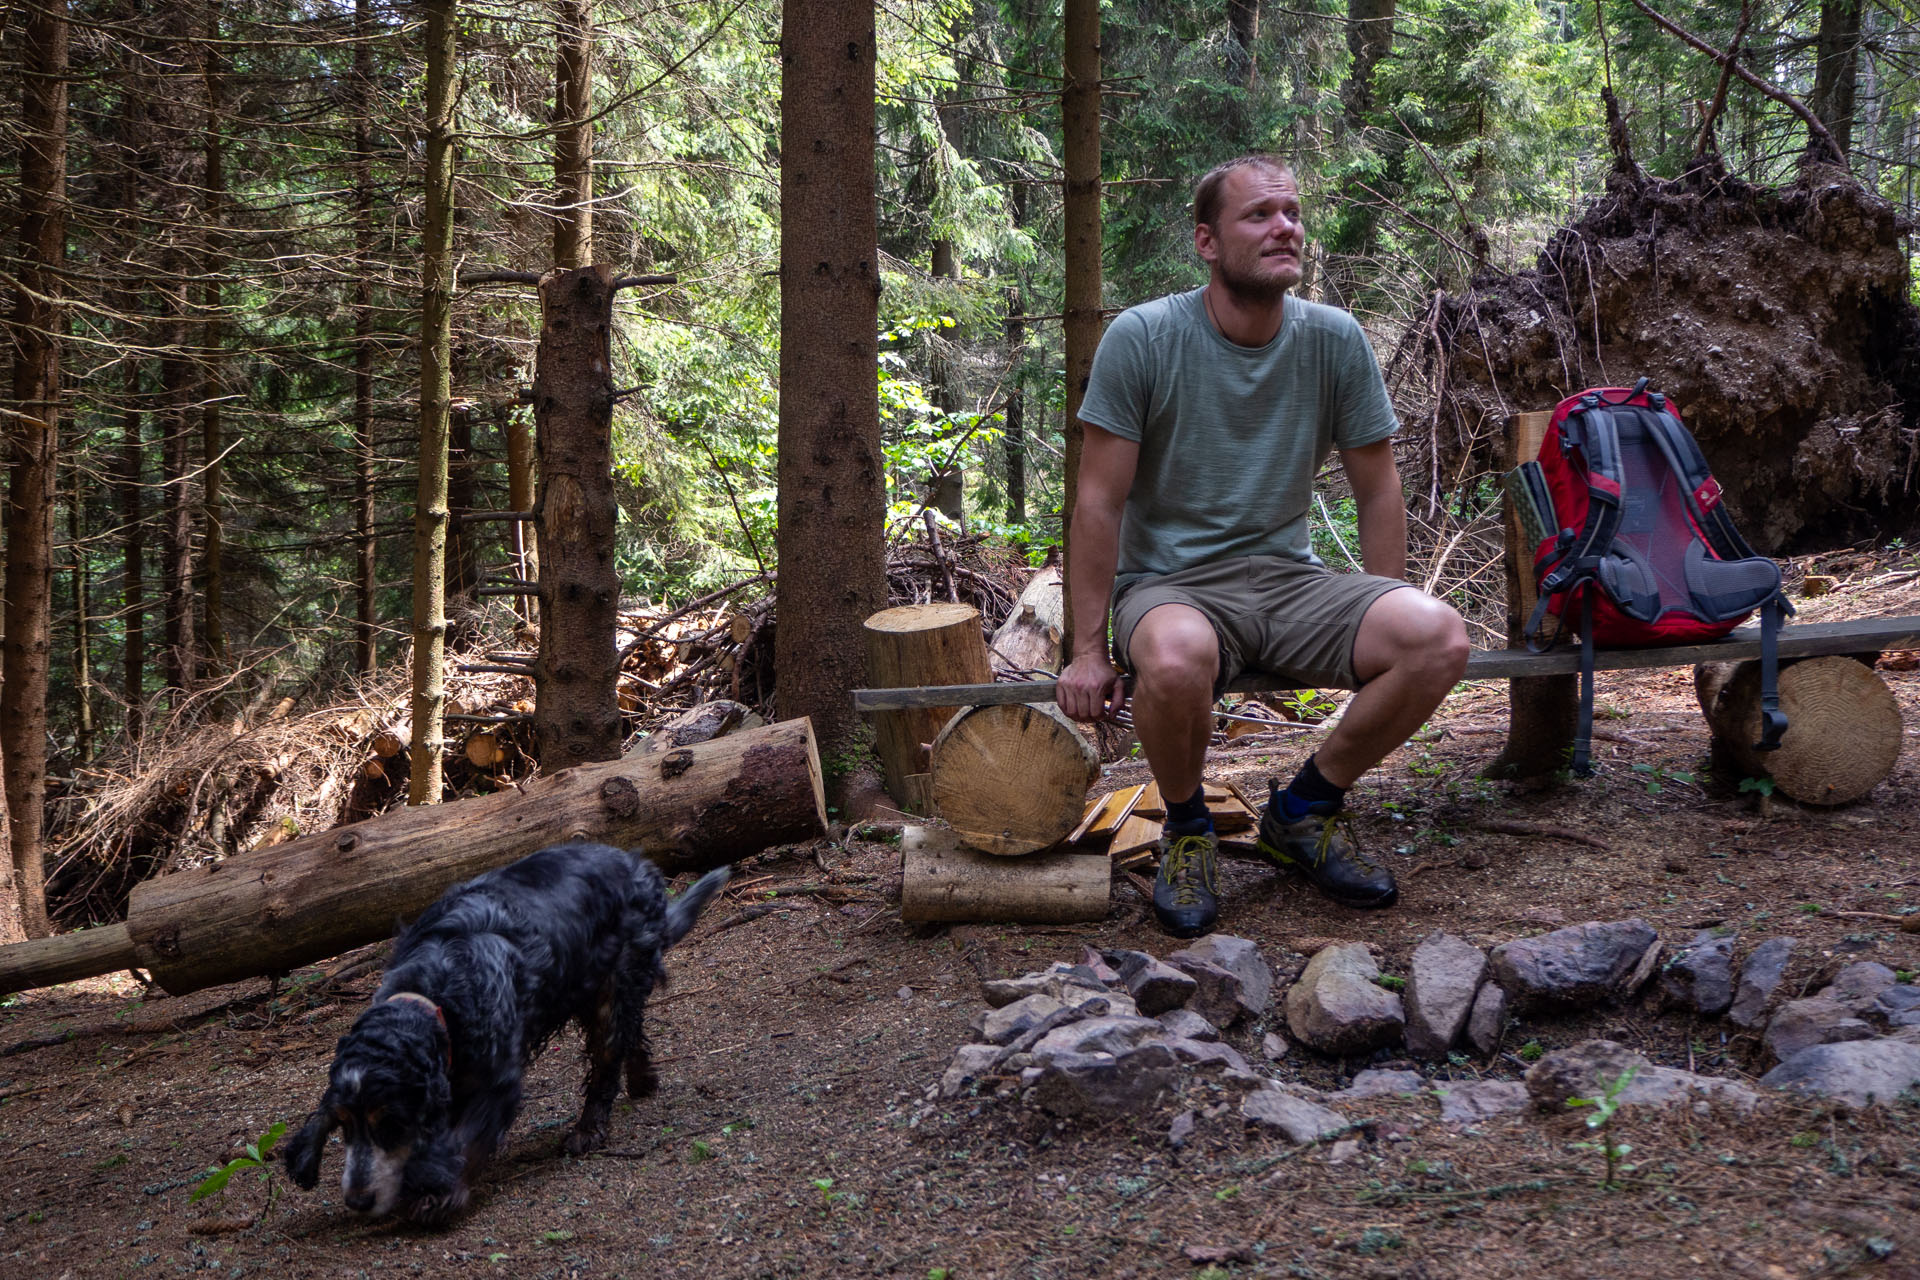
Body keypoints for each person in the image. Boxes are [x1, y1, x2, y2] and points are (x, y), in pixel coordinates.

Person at [1055, 154, 1470, 938]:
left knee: (1437, 634)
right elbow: (1099, 502)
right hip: (1171, 584)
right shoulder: (1143, 338)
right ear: (1207, 243)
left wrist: (1387, 599)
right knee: (1175, 659)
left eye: (1291, 212)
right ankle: (1186, 829)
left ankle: (1305, 810)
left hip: (1289, 580)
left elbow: (1379, 488)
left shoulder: (1333, 340)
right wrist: (1086, 648)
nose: (1285, 227)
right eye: (1259, 215)